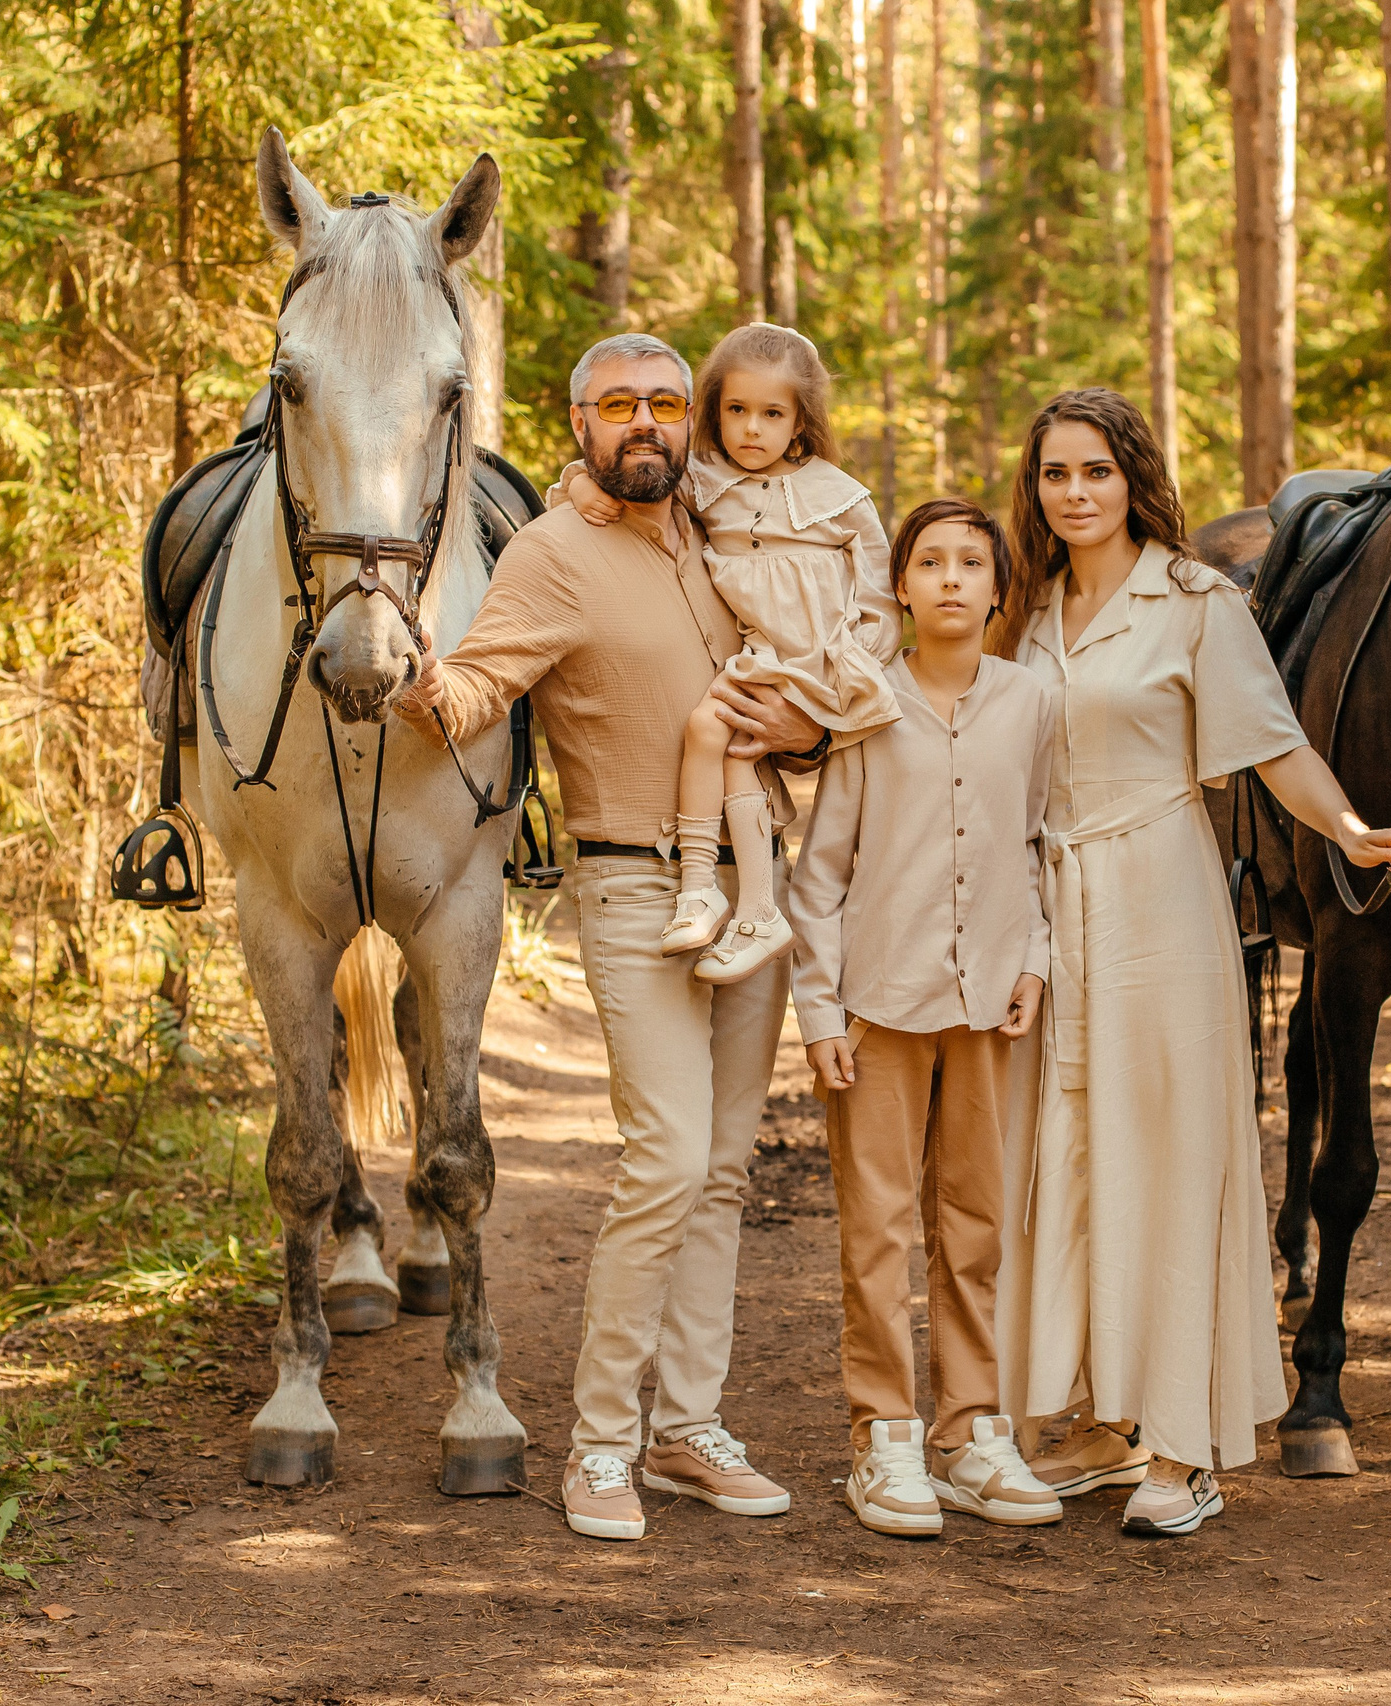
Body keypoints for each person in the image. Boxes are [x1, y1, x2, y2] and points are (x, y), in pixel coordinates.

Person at [398, 333, 835, 1542]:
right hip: (636, 889)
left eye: (662, 402)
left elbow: (803, 693)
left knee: (728, 1170)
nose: (643, 422)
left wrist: (801, 728)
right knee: (668, 1160)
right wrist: (424, 680)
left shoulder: (722, 530)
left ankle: (687, 1426)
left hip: (754, 883)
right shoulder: (550, 553)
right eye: (617, 405)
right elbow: (478, 688)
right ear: (577, 418)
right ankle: (602, 1442)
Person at [989, 389, 1391, 1538]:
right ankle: (1092, 1418)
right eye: (1053, 475)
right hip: (1051, 905)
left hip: (1161, 898)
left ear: (1134, 478)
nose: (1074, 493)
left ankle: (1181, 1446)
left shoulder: (1192, 603)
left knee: (1171, 1156)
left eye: (1095, 471)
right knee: (1070, 1158)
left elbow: (1272, 742)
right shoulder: (1024, 614)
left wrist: (1344, 828)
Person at [789, 497, 1067, 1537]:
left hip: (988, 1002)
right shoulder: (868, 706)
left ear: (1000, 587)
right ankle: (883, 1433)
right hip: (876, 1005)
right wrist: (818, 1007)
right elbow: (817, 877)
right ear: (900, 586)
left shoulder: (1032, 701)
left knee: (977, 1225)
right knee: (877, 1226)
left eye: (971, 562)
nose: (951, 578)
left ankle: (970, 1430)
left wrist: (1033, 957)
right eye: (930, 562)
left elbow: (1035, 840)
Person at [554, 323, 899, 985]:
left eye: (772, 415)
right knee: (713, 736)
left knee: (723, 736)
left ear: (799, 425)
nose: (751, 429)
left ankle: (727, 900)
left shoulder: (841, 496)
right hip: (762, 659)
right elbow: (628, 475)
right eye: (736, 411)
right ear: (713, 411)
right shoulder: (705, 482)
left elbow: (881, 597)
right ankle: (722, 898)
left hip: (821, 662)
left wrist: (850, 671)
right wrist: (579, 487)